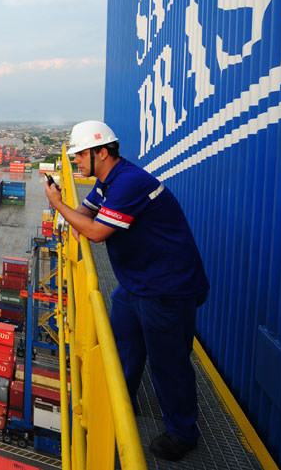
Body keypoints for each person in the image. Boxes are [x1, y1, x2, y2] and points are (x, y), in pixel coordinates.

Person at [43, 120, 209, 461]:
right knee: (120, 345)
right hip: (136, 284)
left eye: (80, 155)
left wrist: (58, 205)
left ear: (102, 152)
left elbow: (95, 232)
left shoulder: (129, 183)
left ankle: (182, 433)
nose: (75, 162)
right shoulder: (108, 183)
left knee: (168, 364)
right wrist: (71, 213)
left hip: (167, 288)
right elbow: (83, 219)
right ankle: (124, 398)